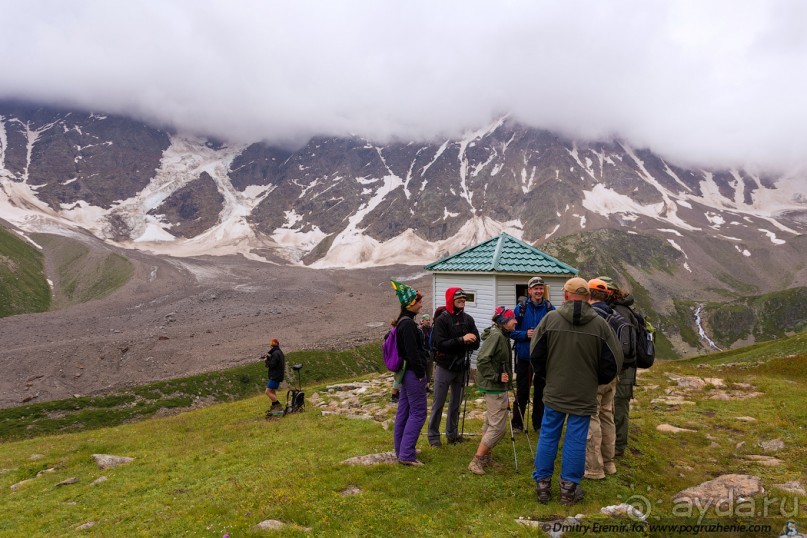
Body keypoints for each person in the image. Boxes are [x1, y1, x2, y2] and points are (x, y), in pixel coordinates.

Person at [530, 277, 622, 506]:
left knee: (549, 434)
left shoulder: (550, 319)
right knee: (576, 439)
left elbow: (536, 355)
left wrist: (548, 377)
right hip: (584, 392)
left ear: (567, 295)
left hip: (555, 390)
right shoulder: (601, 325)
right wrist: (594, 381)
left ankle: (542, 485)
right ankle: (568, 489)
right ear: (587, 296)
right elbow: (614, 361)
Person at [428, 288, 480, 446]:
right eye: (458, 298)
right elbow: (440, 344)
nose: (462, 301)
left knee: (456, 402)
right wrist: (462, 340)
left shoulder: (468, 319)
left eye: (464, 299)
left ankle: (452, 434)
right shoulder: (442, 320)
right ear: (451, 299)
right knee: (439, 402)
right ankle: (433, 437)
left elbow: (476, 342)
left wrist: (472, 341)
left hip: (461, 367)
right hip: (444, 366)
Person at [468, 306, 516, 475]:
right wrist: (496, 377)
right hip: (493, 386)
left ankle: (486, 457)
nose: (515, 321)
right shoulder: (497, 336)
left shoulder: (501, 335)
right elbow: (482, 360)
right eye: (512, 319)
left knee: (490, 422)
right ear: (504, 321)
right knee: (498, 428)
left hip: (497, 386)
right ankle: (477, 460)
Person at [583, 278, 621, 480]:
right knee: (607, 416)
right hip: (612, 375)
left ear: (589, 294)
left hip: (595, 376)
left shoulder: (592, 316)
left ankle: (594, 468)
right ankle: (609, 462)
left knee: (592, 418)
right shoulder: (614, 314)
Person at [599, 276, 640, 458]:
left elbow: (623, 345)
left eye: (603, 292)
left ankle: (618, 446)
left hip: (624, 368)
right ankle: (613, 443)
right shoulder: (616, 309)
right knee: (614, 405)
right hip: (620, 366)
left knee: (619, 405)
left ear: (611, 293)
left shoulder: (620, 311)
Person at [390, 280, 430, 466]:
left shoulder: (402, 323)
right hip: (414, 374)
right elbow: (413, 352)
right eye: (419, 301)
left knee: (404, 411)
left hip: (405, 374)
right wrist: (422, 372)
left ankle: (402, 450)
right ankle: (406, 454)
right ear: (411, 303)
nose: (421, 305)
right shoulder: (408, 325)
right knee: (419, 412)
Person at [510, 276, 555, 433]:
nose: (538, 291)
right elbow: (510, 331)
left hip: (543, 359)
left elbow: (556, 331)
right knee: (522, 392)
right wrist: (525, 334)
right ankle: (517, 424)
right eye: (535, 288)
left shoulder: (550, 309)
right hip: (524, 357)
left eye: (541, 288)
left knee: (541, 393)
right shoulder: (520, 308)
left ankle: (538, 424)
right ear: (529, 290)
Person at [264, 339, 285, 414]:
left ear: (272, 345)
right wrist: (270, 359)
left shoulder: (275, 353)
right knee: (272, 391)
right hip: (278, 375)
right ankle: (275, 408)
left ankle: (279, 407)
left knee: (267, 391)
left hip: (275, 376)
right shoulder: (279, 352)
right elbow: (276, 362)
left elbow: (272, 365)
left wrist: (266, 360)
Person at [420, 314, 434, 388]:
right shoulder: (421, 330)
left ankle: (427, 386)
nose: (428, 321)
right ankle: (423, 385)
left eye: (429, 320)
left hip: (430, 352)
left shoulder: (431, 329)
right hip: (424, 352)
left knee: (429, 369)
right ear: (423, 321)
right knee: (424, 368)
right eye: (427, 320)